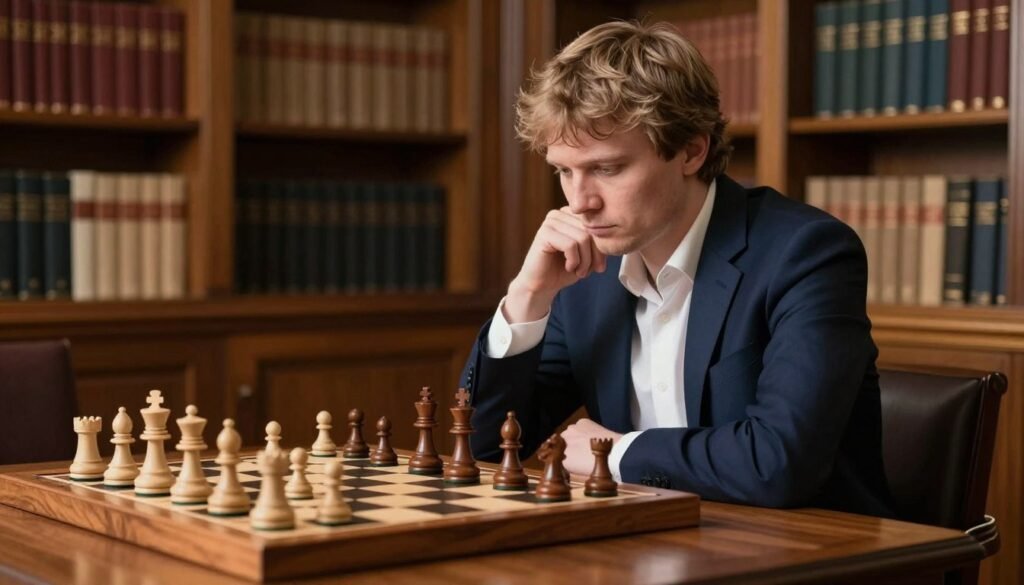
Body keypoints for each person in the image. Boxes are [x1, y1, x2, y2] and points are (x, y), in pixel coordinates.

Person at [462, 20, 892, 516]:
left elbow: (780, 463)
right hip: (650, 546)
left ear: (691, 150)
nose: (580, 202)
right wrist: (526, 299)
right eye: (563, 170)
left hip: (815, 554)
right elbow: (480, 448)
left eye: (606, 168)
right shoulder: (586, 275)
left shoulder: (806, 254)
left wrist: (617, 453)